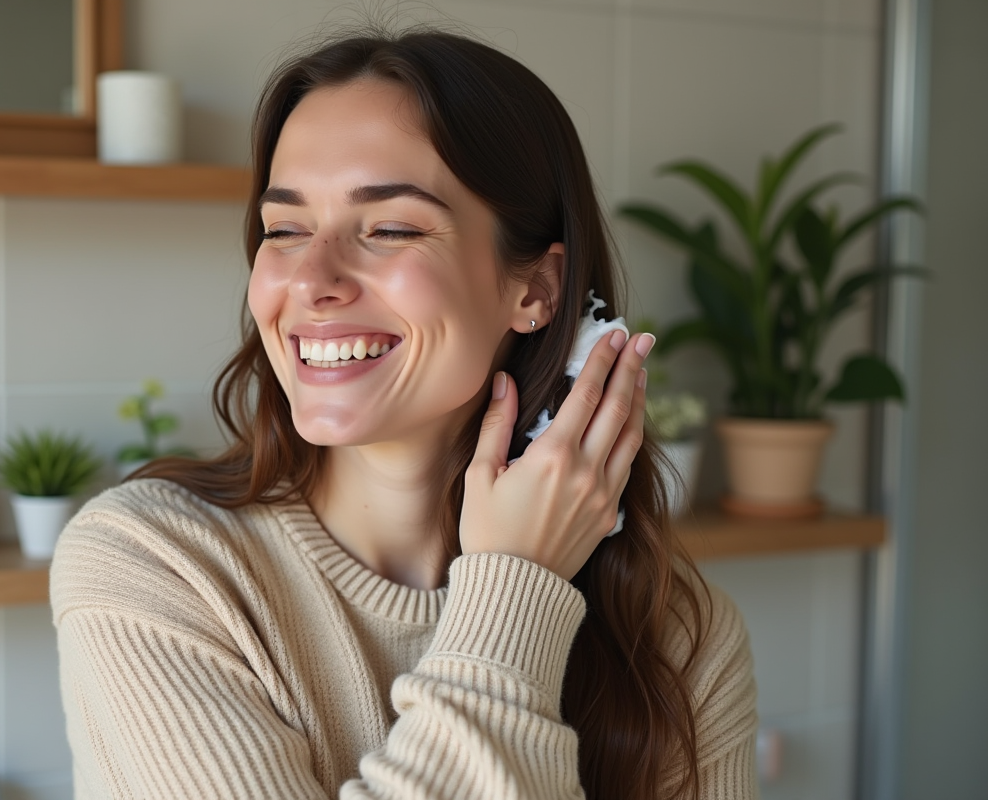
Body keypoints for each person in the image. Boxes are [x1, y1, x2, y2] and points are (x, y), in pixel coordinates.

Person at [52, 26, 757, 800]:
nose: (312, 280)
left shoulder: (675, 637)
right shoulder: (153, 566)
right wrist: (516, 587)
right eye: (284, 230)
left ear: (537, 291)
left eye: (389, 228)